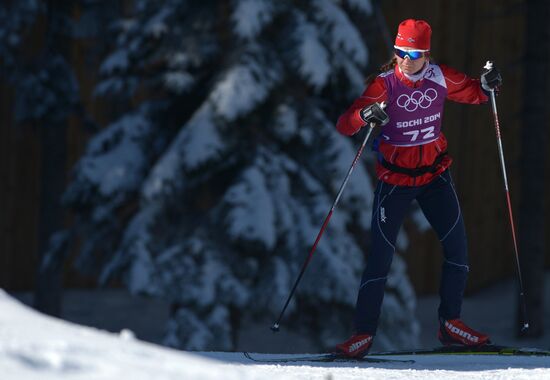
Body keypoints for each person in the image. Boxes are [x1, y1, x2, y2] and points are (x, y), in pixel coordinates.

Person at [334, 19, 502, 358]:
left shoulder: (440, 77)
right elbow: (344, 124)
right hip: (394, 182)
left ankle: (450, 323)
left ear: (426, 53)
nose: (405, 60)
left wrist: (487, 86)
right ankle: (363, 335)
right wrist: (365, 115)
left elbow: (474, 93)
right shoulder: (384, 85)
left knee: (458, 251)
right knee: (379, 260)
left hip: (434, 178)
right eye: (399, 52)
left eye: (412, 53)